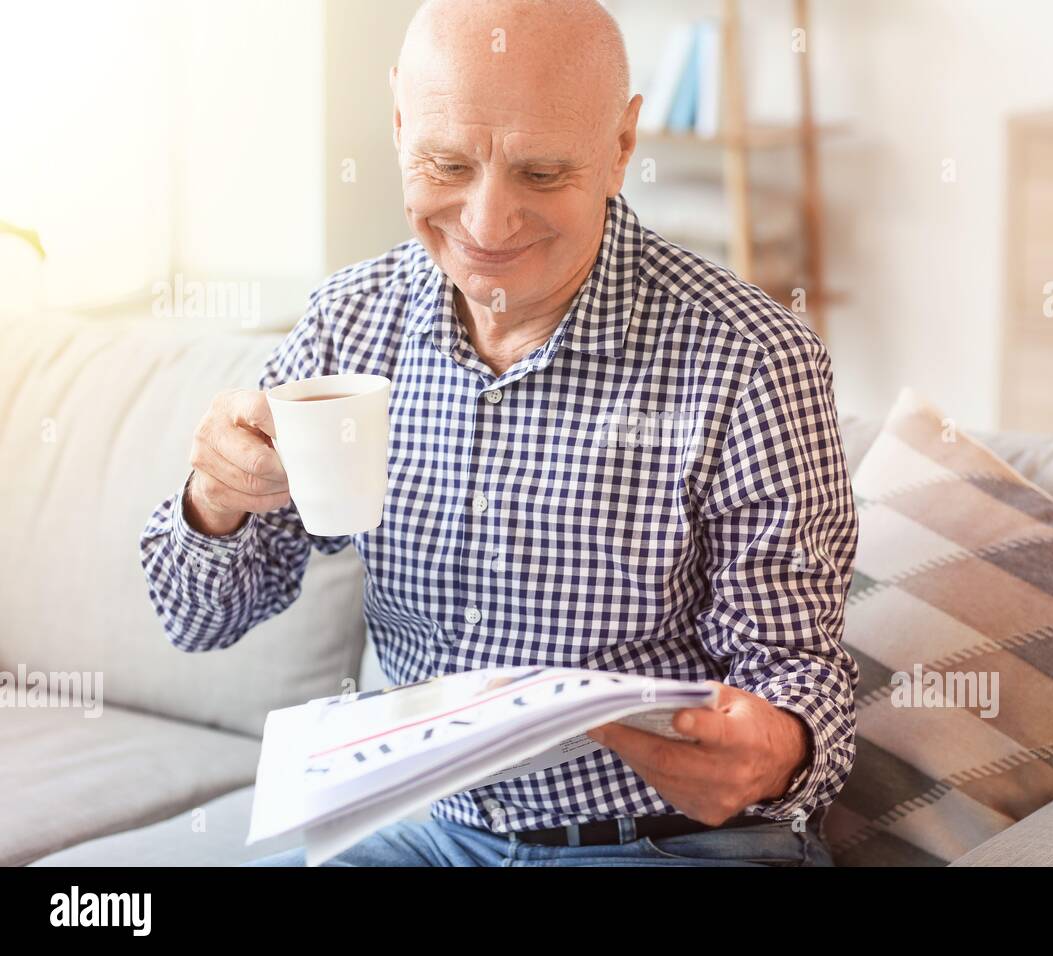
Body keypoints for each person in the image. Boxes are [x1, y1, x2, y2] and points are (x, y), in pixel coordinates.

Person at [140, 0, 858, 867]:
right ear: (400, 118)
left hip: (659, 843)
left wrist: (777, 754)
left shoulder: (751, 357)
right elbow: (198, 620)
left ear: (622, 146)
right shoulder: (348, 323)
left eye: (543, 174)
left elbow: (796, 673)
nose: (485, 225)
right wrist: (214, 499)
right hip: (423, 827)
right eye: (446, 164)